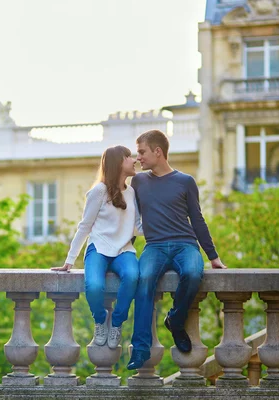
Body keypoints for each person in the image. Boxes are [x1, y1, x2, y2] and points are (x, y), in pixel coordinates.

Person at [126, 129, 226, 370]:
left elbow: (198, 220)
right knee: (145, 278)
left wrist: (213, 256)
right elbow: (130, 217)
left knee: (193, 273)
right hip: (155, 246)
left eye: (142, 152)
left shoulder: (185, 181)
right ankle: (140, 348)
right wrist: (121, 250)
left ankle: (176, 320)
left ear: (157, 151)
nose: (138, 157)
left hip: (185, 244)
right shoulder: (138, 181)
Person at [52, 145, 142, 349]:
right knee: (93, 286)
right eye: (129, 157)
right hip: (99, 248)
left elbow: (138, 227)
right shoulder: (98, 191)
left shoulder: (132, 193)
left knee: (132, 276)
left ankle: (117, 322)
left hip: (123, 250)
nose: (134, 160)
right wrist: (69, 260)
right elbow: (84, 226)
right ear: (119, 162)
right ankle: (100, 320)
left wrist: (165, 224)